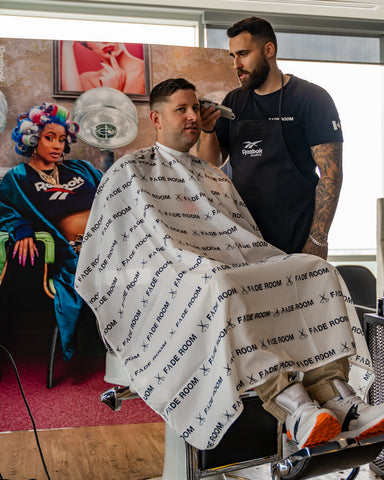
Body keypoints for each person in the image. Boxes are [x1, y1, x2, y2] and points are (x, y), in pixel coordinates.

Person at [75, 78, 384, 451]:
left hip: (227, 265)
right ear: (156, 118)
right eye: (181, 109)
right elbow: (112, 254)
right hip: (176, 279)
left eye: (195, 108)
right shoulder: (129, 171)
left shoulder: (211, 174)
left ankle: (336, 394)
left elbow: (242, 236)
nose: (193, 116)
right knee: (222, 284)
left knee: (316, 271)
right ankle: (295, 407)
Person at [198, 17, 343, 259]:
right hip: (245, 237)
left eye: (243, 54)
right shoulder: (234, 101)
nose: (237, 64)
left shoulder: (311, 99)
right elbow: (211, 163)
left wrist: (318, 239)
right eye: (233, 56)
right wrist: (208, 130)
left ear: (269, 50)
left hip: (297, 236)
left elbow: (331, 173)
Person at [0, 102, 104, 361]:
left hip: (110, 244)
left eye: (61, 139)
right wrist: (22, 229)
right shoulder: (19, 177)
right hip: (73, 255)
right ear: (33, 139)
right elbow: (5, 207)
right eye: (49, 138)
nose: (58, 145)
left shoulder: (82, 169)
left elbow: (115, 192)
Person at [61, 41, 145, 94]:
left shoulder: (144, 71)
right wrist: (67, 46)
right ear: (88, 46)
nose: (104, 41)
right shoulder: (87, 79)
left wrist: (112, 93)